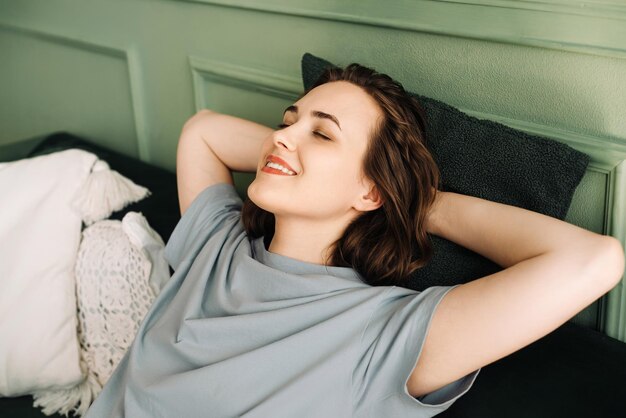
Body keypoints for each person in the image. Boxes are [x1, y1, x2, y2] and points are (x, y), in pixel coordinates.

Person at [85, 63, 624, 417]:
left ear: (370, 191)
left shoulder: (383, 333)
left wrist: (410, 198)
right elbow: (202, 130)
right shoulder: (217, 243)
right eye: (287, 121)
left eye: (321, 133)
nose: (280, 135)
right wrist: (307, 155)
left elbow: (594, 260)